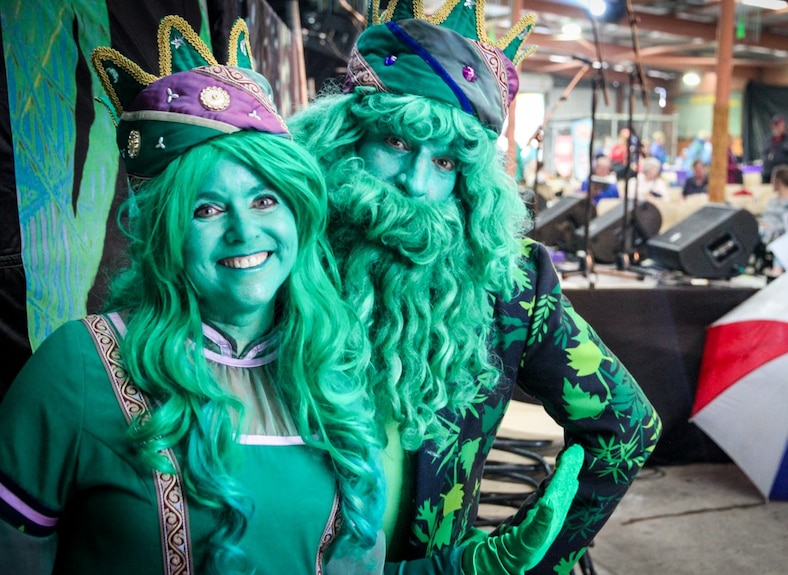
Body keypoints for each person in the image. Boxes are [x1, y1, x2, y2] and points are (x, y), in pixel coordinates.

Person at [0, 17, 387, 574]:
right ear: (164, 234)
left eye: (264, 200)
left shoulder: (332, 367)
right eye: (205, 209)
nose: (243, 231)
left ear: (298, 211)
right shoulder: (77, 368)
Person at [288, 1, 661, 573]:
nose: (415, 183)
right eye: (394, 143)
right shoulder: (280, 250)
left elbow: (627, 428)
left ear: (473, 183)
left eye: (445, 164)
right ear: (345, 136)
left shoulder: (509, 285)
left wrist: (521, 562)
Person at [761, 115, 788, 184]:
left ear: (783, 125)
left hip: (786, 174)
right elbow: (765, 155)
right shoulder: (768, 140)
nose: (777, 127)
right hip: (769, 174)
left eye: (779, 125)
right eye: (775, 125)